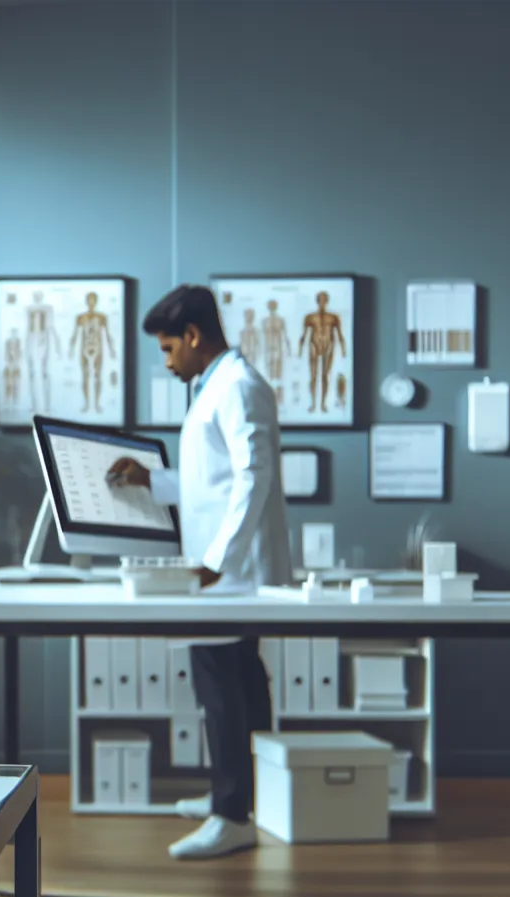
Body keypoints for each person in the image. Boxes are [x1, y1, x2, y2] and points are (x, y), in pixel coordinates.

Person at [106, 284, 290, 860]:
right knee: (236, 676)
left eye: (167, 349)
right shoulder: (216, 388)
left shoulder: (238, 387)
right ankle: (236, 795)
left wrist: (218, 561)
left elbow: (252, 478)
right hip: (223, 567)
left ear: (192, 336)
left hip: (230, 570)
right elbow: (208, 481)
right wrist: (150, 480)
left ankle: (232, 812)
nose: (166, 363)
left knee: (220, 680)